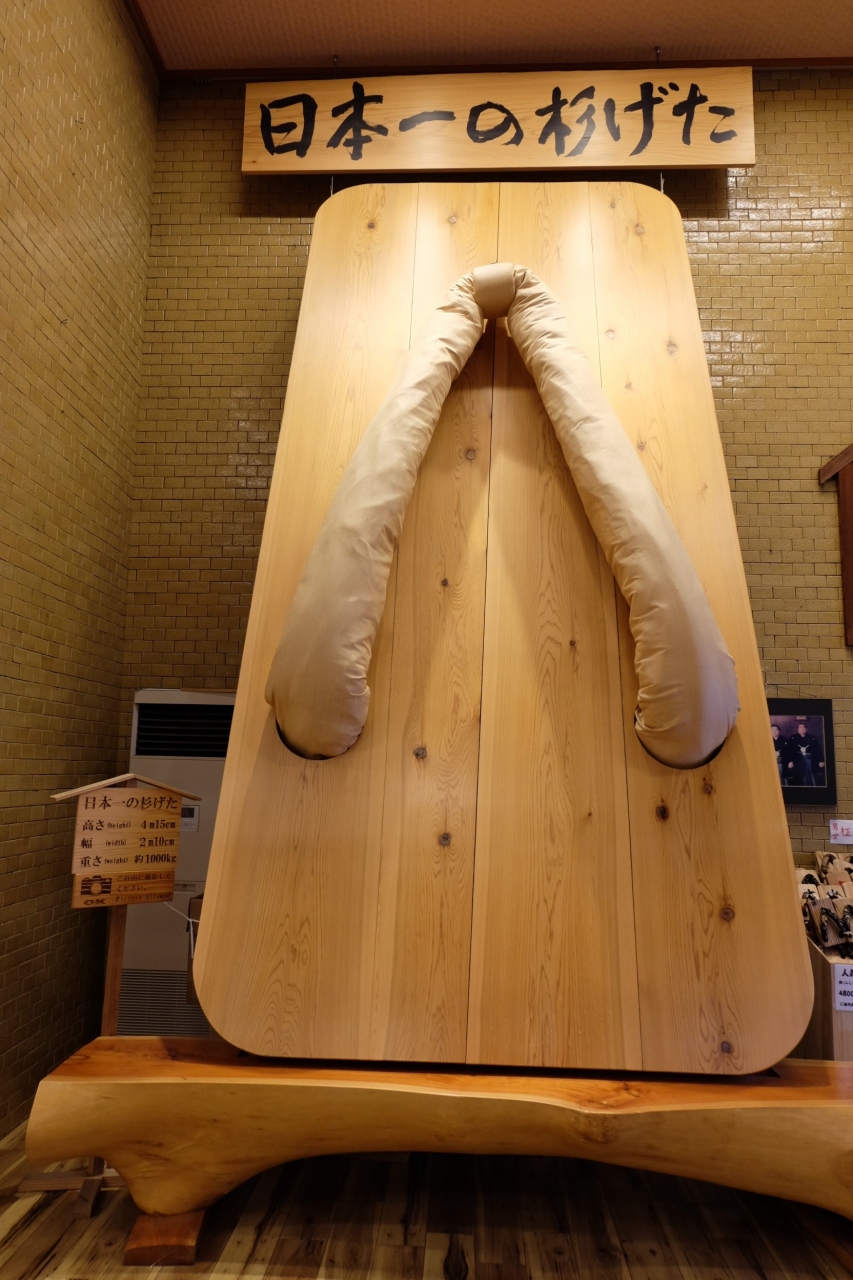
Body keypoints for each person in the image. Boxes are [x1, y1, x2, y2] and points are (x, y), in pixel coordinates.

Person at [793, 721, 825, 786]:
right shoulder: (793, 738)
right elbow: (789, 751)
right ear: (797, 729)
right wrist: (790, 761)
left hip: (810, 759)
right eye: (800, 728)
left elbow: (818, 750)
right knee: (799, 776)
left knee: (811, 773)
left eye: (803, 727)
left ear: (806, 729)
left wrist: (821, 760)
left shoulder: (812, 738)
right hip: (797, 759)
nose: (802, 729)